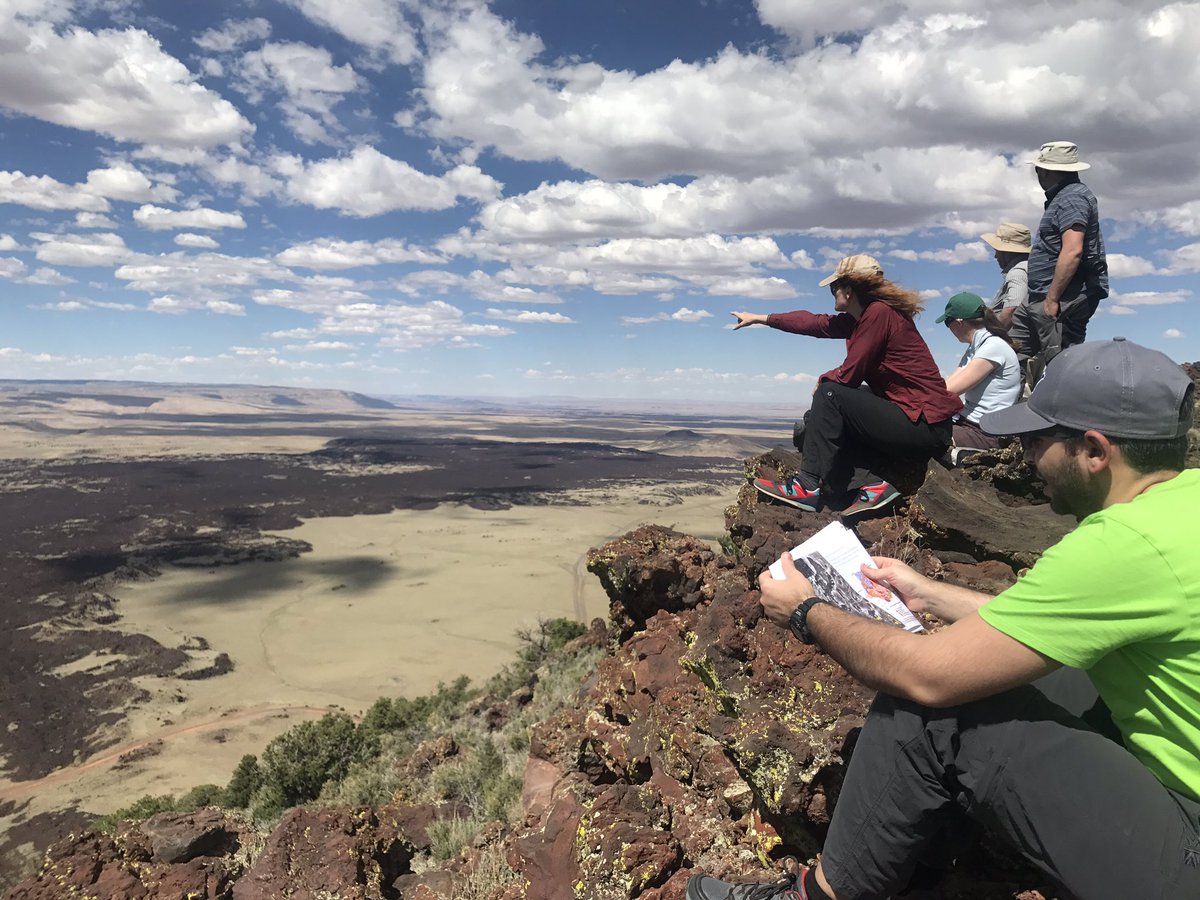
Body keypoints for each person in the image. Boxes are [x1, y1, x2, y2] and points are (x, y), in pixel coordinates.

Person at [687, 338, 1199, 900]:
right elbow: (1050, 624)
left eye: (1036, 440)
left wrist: (806, 611)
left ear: (1094, 451)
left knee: (934, 705)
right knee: (1051, 670)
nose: (1028, 457)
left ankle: (823, 894)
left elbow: (928, 677)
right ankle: (917, 857)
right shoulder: (1181, 506)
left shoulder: (1122, 545)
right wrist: (930, 594)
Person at [732, 255, 962, 515]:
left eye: (834, 287)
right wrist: (760, 318)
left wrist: (824, 381)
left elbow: (850, 374)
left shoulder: (879, 313)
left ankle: (806, 486)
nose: (832, 293)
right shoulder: (864, 318)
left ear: (849, 290)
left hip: (924, 425)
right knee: (820, 415)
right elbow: (814, 323)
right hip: (917, 422)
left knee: (830, 394)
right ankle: (872, 484)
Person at [1009, 141, 1108, 385]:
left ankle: (1068, 409)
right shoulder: (1065, 197)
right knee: (1011, 352)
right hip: (1042, 294)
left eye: (1038, 169)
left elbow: (1073, 250)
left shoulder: (1072, 198)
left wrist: (1053, 298)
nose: (1037, 175)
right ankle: (1005, 404)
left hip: (1062, 297)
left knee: (1061, 365)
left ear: (1046, 171)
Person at [937, 291, 1021, 462]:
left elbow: (950, 390)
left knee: (922, 438)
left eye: (947, 323)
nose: (949, 329)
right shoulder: (976, 347)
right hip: (970, 425)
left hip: (985, 433)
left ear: (959, 322)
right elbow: (946, 387)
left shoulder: (993, 347)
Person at [979, 222, 1030, 329]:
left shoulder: (1017, 273)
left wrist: (995, 333)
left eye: (997, 251)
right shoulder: (1029, 267)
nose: (995, 256)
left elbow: (1012, 309)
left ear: (1007, 252)